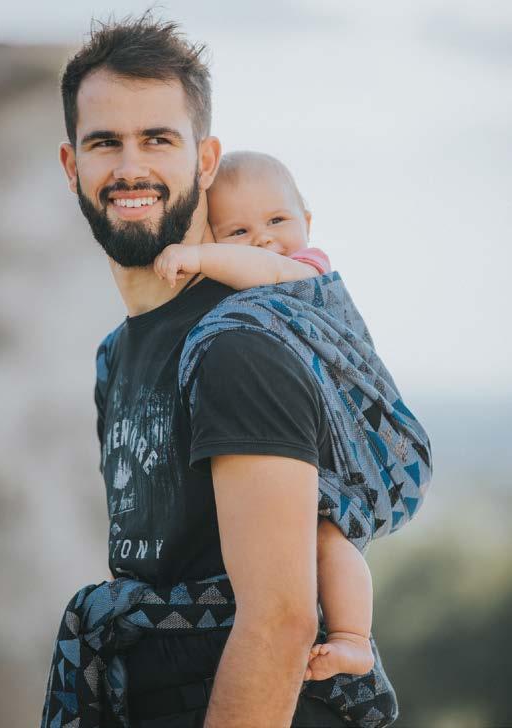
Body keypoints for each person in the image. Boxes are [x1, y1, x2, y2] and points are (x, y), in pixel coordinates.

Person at [52, 13, 406, 728]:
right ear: (72, 167)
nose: (130, 167)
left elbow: (277, 622)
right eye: (103, 143)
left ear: (204, 160)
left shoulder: (237, 344)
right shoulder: (115, 355)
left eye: (158, 138)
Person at [154, 150, 374, 681]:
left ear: (307, 222)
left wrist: (201, 257)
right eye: (238, 230)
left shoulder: (306, 268)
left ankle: (353, 638)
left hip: (338, 441)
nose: (263, 238)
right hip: (296, 437)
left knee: (328, 538)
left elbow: (267, 271)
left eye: (277, 220)